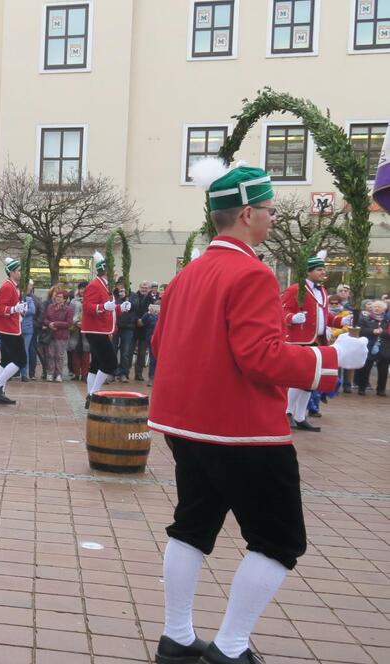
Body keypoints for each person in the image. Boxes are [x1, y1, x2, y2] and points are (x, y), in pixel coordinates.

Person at [148, 159, 369, 664]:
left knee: (192, 528)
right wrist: (333, 357)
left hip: (185, 426)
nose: (272, 218)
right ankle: (230, 647)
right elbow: (261, 357)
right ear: (246, 213)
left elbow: (163, 343)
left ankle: (177, 637)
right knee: (279, 540)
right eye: (268, 209)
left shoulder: (189, 273)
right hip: (243, 431)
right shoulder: (251, 272)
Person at [282, 251, 337, 432]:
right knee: (299, 378)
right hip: (301, 340)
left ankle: (300, 416)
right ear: (309, 271)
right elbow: (281, 311)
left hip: (318, 341)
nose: (323, 272)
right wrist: (292, 318)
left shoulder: (322, 290)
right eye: (319, 269)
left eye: (323, 269)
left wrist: (337, 321)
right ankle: (287, 412)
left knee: (311, 381)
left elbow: (323, 313)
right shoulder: (295, 289)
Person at [81, 252, 130, 405]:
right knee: (110, 364)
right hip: (96, 330)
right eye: (112, 269)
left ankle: (91, 395)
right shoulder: (95, 285)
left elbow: (109, 309)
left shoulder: (105, 285)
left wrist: (120, 307)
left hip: (101, 329)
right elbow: (87, 306)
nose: (115, 272)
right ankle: (94, 394)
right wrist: (103, 306)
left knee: (96, 364)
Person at [0, 257, 27, 405]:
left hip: (10, 327)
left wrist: (19, 309)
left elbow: (9, 307)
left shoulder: (11, 286)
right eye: (18, 271)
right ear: (11, 272)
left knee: (6, 360)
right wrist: (14, 309)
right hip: (9, 329)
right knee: (20, 360)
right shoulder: (7, 286)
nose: (20, 273)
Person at [355, 299, 390, 396]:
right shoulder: (365, 318)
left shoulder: (387, 320)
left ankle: (381, 390)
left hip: (384, 348)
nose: (377, 308)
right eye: (375, 307)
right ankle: (362, 388)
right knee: (365, 368)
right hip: (369, 346)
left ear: (384, 310)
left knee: (383, 370)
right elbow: (360, 330)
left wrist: (382, 332)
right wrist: (372, 331)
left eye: (379, 307)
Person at [43, 285, 72, 382]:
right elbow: (45, 318)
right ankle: (50, 373)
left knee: (59, 355)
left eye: (59, 297)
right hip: (51, 334)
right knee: (50, 354)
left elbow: (69, 323)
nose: (57, 298)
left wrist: (55, 324)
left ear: (65, 299)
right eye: (56, 297)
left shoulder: (68, 309)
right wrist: (49, 324)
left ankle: (59, 374)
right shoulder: (50, 307)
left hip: (62, 336)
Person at [19, 279, 39, 381]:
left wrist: (22, 310)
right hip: (16, 327)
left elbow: (33, 310)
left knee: (25, 350)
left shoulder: (29, 299)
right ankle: (13, 371)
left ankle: (24, 373)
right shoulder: (15, 299)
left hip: (27, 328)